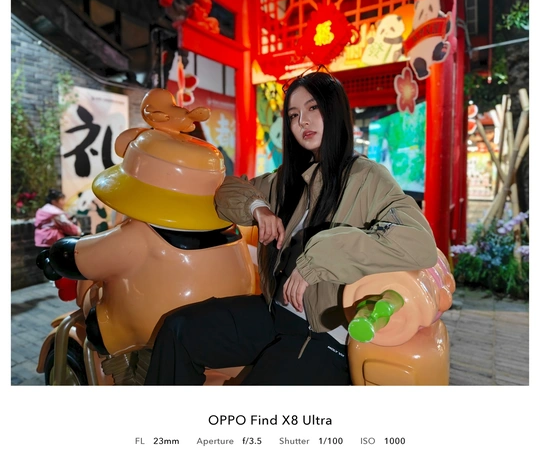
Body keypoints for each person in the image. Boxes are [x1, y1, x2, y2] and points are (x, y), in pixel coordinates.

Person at [145, 68, 438, 386]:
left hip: (325, 333)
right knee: (179, 330)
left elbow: (419, 243)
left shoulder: (368, 178)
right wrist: (258, 209)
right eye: (294, 115)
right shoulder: (289, 179)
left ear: (335, 111)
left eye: (313, 108)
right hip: (275, 312)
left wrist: (318, 259)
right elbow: (229, 190)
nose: (303, 122)